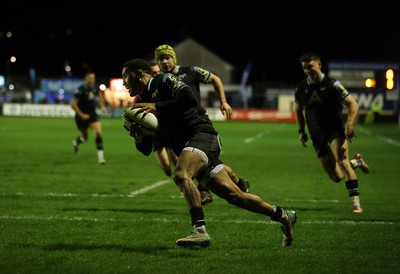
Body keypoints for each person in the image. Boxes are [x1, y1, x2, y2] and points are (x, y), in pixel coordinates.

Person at [121, 58, 297, 248]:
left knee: (181, 175)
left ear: (139, 74)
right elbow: (147, 149)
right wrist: (138, 138)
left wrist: (158, 107)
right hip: (191, 146)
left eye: (125, 76)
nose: (123, 82)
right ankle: (283, 215)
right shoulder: (140, 103)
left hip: (202, 135)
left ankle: (199, 230)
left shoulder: (163, 80)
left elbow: (189, 99)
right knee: (236, 196)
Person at [153, 44, 249, 205]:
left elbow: (215, 79)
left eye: (167, 57)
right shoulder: (160, 82)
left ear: (173, 58)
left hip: (198, 126)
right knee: (207, 165)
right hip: (178, 129)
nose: (164, 61)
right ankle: (238, 183)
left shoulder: (191, 72)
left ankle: (204, 192)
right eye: (161, 59)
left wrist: (223, 102)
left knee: (193, 162)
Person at [294, 52, 370, 213]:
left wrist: (350, 123)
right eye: (304, 68)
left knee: (342, 161)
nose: (307, 70)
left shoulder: (332, 84)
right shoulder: (301, 87)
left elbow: (353, 104)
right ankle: (356, 162)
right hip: (316, 134)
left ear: (319, 65)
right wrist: (301, 130)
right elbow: (298, 109)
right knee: (336, 176)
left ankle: (356, 203)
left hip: (335, 130)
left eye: (310, 66)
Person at [71, 71, 107, 164]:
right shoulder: (80, 90)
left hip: (92, 115)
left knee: (98, 133)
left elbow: (100, 96)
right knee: (85, 137)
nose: (92, 80)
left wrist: (102, 106)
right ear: (86, 79)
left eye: (93, 78)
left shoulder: (95, 88)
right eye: (90, 78)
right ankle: (76, 143)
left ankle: (101, 158)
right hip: (81, 117)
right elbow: (73, 104)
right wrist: (82, 115)